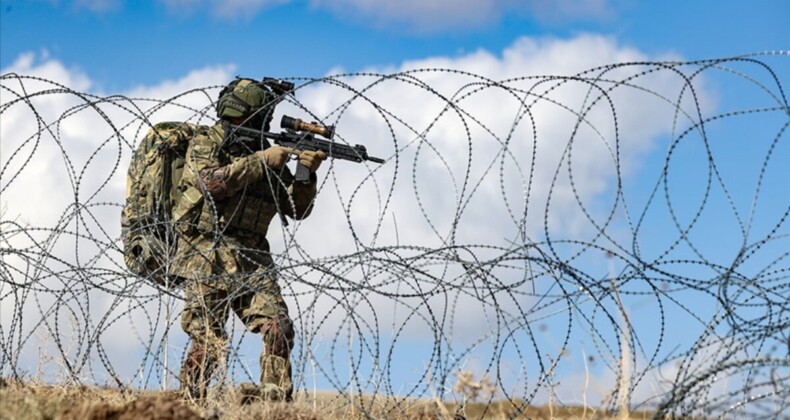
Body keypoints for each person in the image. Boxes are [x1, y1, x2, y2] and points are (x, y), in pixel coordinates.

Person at [170, 78, 326, 401]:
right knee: (209, 342)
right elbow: (210, 183)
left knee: (279, 326)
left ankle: (273, 401)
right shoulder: (207, 141)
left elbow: (295, 208)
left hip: (252, 255)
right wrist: (261, 162)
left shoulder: (267, 150)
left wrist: (305, 172)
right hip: (206, 250)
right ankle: (189, 403)